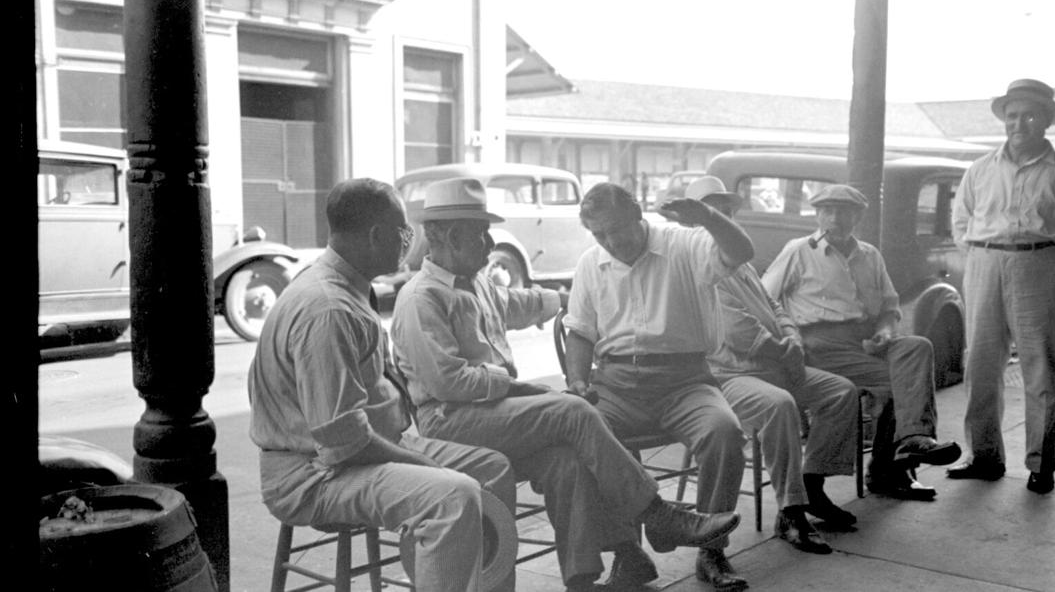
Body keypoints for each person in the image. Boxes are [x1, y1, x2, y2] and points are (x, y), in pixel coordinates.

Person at [390, 177, 740, 592]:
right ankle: (659, 516)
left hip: (494, 414)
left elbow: (519, 305)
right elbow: (449, 382)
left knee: (568, 463)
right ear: (447, 238)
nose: (490, 243)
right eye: (480, 234)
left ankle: (583, 580)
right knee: (575, 411)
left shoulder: (477, 282)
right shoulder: (420, 298)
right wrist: (518, 387)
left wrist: (568, 298)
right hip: (453, 420)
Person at [248, 177, 515, 592]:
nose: (410, 242)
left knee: (490, 469)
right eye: (403, 233)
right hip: (312, 475)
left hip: (356, 450)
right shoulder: (329, 309)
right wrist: (427, 466)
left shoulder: (345, 288)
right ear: (376, 236)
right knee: (453, 495)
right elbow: (343, 442)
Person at [563, 182, 763, 592]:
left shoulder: (683, 244)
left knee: (723, 432)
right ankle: (628, 552)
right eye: (599, 235)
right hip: (615, 383)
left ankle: (711, 550)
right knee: (583, 438)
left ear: (638, 214)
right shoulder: (591, 262)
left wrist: (708, 217)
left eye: (616, 229)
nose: (610, 242)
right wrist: (577, 381)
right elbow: (580, 332)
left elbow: (741, 252)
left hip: (685, 380)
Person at [761, 184, 962, 501]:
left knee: (917, 348)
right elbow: (764, 300)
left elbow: (889, 308)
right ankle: (887, 471)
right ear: (817, 214)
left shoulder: (870, 255)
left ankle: (912, 440)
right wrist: (789, 336)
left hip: (865, 342)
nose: (835, 218)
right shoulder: (799, 251)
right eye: (827, 210)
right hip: (819, 346)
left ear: (857, 216)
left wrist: (884, 330)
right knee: (904, 383)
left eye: (843, 211)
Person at [685, 176, 863, 533]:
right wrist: (783, 350)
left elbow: (773, 305)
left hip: (772, 365)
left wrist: (792, 336)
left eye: (727, 211)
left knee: (842, 392)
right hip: (729, 376)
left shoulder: (742, 264)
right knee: (780, 404)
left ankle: (812, 483)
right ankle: (791, 511)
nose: (723, 217)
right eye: (713, 211)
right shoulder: (694, 265)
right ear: (693, 222)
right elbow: (735, 328)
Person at [949, 79, 1055, 494]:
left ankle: (1041, 464)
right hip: (984, 263)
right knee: (980, 363)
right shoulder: (979, 170)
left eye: (1029, 115)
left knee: (1041, 368)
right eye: (1012, 115)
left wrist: (1048, 261)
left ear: (1046, 121)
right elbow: (961, 223)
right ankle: (984, 456)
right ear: (1004, 119)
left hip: (1041, 265)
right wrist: (985, 255)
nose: (1019, 123)